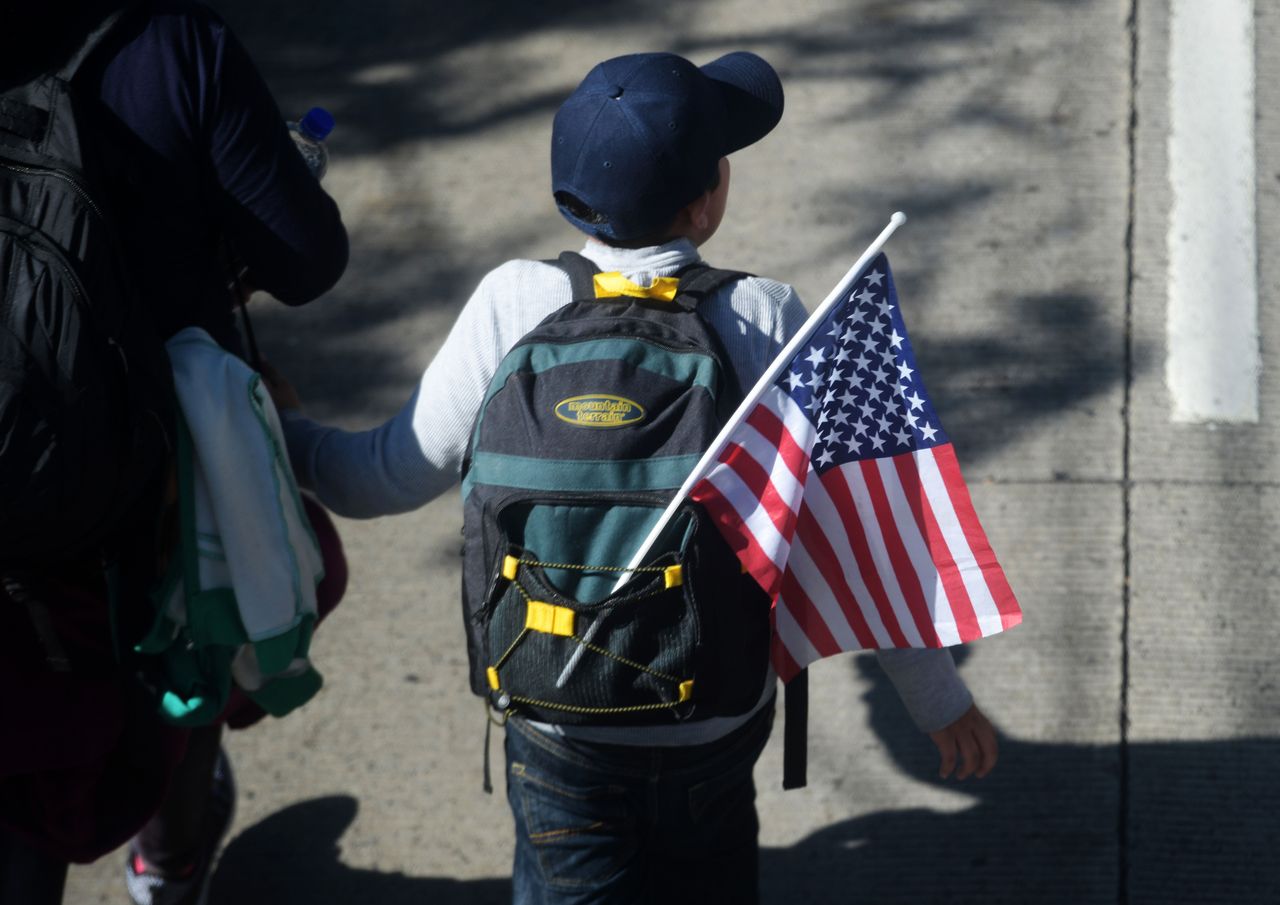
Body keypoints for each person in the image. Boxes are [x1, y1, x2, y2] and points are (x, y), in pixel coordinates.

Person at [270, 51, 996, 904]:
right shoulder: (761, 314)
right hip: (713, 722)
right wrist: (937, 696)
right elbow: (855, 534)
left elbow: (375, 480)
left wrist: (273, 430)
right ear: (706, 199)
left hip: (555, 722)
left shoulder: (514, 300)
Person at [0, 2, 349, 904]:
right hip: (157, 462)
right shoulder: (170, 43)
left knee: (20, 751)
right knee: (188, 654)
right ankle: (171, 863)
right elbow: (306, 257)